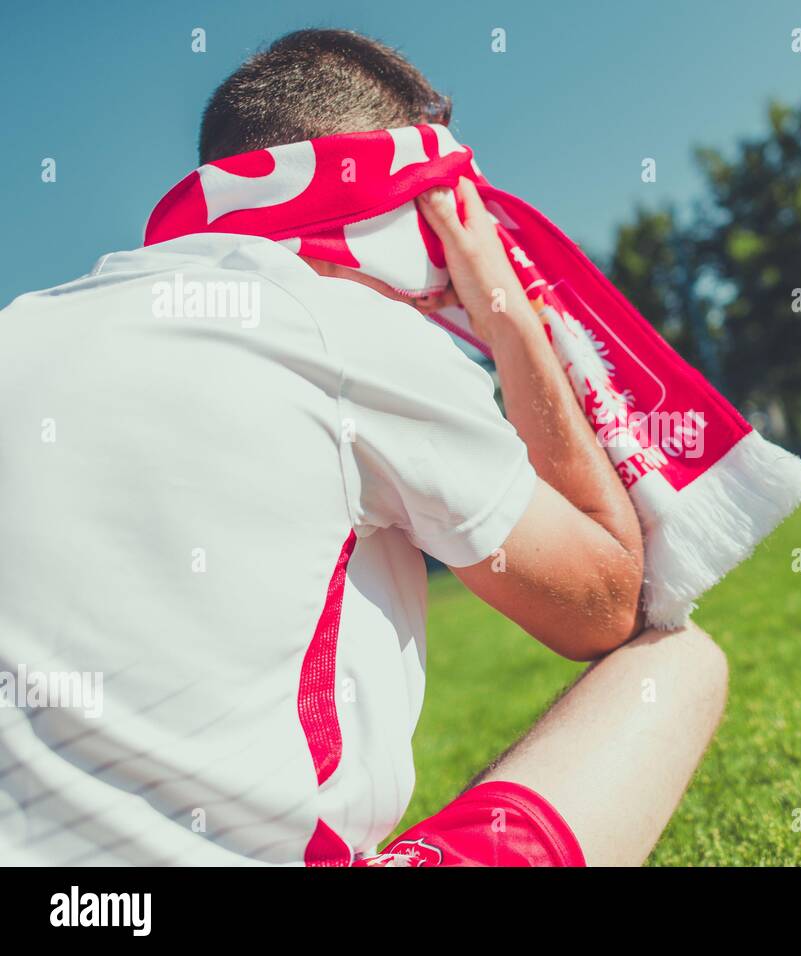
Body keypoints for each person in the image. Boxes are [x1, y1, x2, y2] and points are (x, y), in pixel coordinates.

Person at [0, 28, 727, 867]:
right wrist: (508, 313)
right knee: (675, 664)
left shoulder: (22, 325)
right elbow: (606, 603)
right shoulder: (341, 327)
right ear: (420, 218)